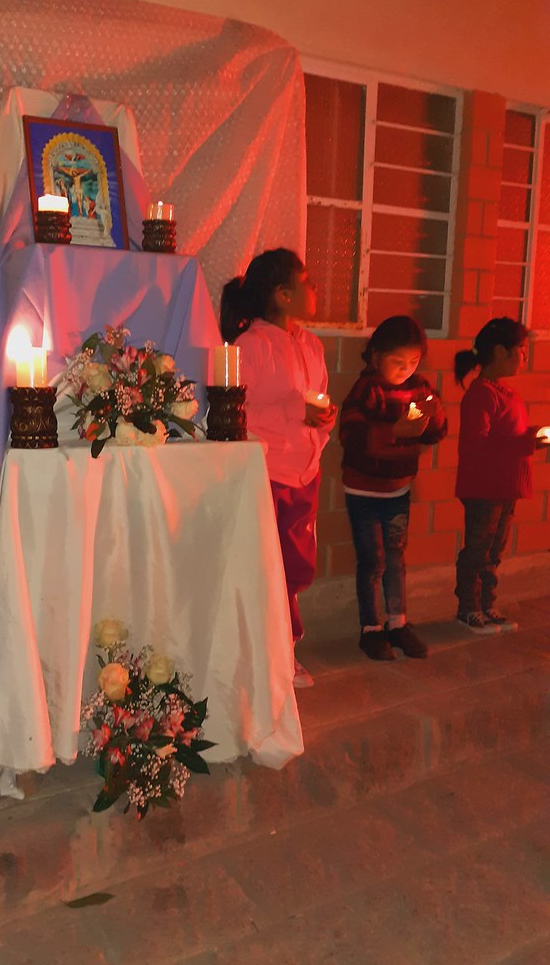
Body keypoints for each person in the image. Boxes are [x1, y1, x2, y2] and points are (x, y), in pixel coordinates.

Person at [220, 248, 336, 688]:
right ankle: (276, 652)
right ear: (283, 295)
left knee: (296, 564)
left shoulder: (311, 344)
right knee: (270, 565)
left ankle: (285, 647)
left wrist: (321, 421)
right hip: (267, 472)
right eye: (307, 282)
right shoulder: (250, 345)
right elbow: (235, 413)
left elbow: (318, 397)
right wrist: (294, 412)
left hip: (304, 469)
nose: (315, 289)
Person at [339, 316, 447, 661]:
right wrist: (396, 430)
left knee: (397, 558)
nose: (405, 369)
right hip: (365, 491)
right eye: (397, 362)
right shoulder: (366, 389)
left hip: (399, 489)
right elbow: (352, 437)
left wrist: (434, 414)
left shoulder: (420, 387)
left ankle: (398, 624)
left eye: (413, 362)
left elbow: (434, 432)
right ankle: (371, 629)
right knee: (373, 560)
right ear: (376, 356)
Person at [453, 318, 549, 633]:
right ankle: (468, 607)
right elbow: (478, 443)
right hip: (485, 487)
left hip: (506, 485)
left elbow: (512, 434)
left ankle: (487, 604)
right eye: (521, 351)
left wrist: (534, 438)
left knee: (494, 551)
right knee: (478, 548)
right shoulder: (481, 394)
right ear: (499, 351)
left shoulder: (507, 392)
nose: (525, 357)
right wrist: (527, 440)